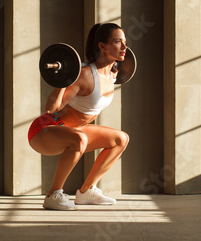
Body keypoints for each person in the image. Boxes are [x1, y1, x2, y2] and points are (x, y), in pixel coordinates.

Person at [28, 23, 130, 210]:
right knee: (80, 138)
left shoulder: (113, 74)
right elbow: (51, 108)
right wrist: (65, 79)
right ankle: (53, 195)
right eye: (117, 42)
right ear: (102, 46)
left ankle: (86, 191)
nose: (124, 47)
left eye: (124, 42)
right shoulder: (83, 74)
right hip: (44, 130)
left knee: (120, 139)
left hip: (74, 131)